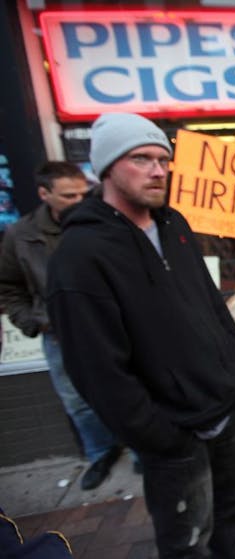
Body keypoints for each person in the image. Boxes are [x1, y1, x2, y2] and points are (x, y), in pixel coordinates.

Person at [46, 113, 235, 559]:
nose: (158, 170)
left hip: (223, 403)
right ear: (105, 167)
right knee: (186, 532)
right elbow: (94, 367)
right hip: (173, 430)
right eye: (141, 158)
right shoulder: (80, 253)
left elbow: (206, 297)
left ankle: (234, 550)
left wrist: (229, 360)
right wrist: (157, 433)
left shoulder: (173, 224)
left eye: (164, 158)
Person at [0, 161, 122, 490]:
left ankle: (139, 449)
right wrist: (31, 322)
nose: (79, 201)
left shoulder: (104, 222)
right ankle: (101, 454)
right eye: (69, 196)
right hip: (59, 336)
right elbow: (9, 287)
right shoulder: (21, 235)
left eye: (83, 193)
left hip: (110, 328)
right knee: (77, 401)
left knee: (128, 388)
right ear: (44, 194)